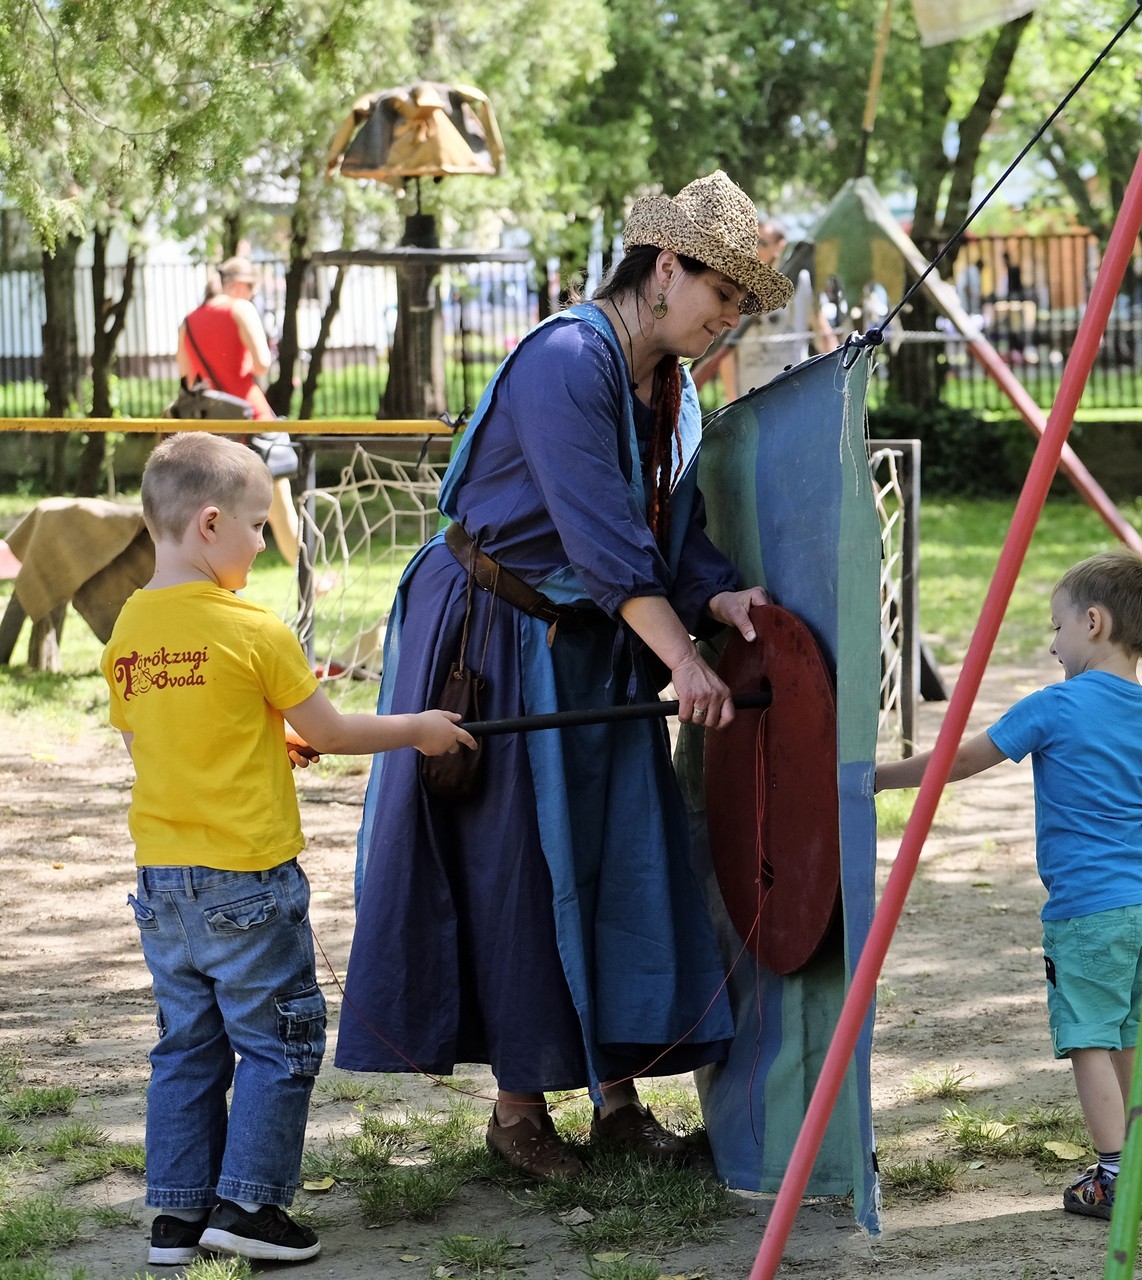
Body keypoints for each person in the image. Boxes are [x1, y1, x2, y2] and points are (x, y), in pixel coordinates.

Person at [334, 171, 793, 1178]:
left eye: (738, 304)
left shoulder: (667, 386)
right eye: (720, 294)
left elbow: (666, 531)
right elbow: (599, 536)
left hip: (596, 638)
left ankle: (618, 1099)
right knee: (519, 866)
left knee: (615, 852)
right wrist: (683, 656)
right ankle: (518, 1110)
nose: (726, 319)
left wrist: (718, 599)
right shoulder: (567, 358)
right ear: (665, 267)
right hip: (493, 632)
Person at [103, 433, 473, 1266]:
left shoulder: (129, 628)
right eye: (257, 525)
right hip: (248, 881)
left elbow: (155, 741)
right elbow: (332, 731)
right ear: (209, 524)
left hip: (162, 885)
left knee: (187, 1046)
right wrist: (420, 729)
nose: (265, 543)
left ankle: (177, 1218)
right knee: (278, 1042)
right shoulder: (252, 628)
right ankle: (249, 1207)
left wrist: (264, 739)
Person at [874, 549, 1142, 1221]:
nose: (1052, 644)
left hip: (1087, 910)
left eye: (1057, 627)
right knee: (1131, 1034)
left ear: (1093, 623)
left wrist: (875, 778)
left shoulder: (1057, 706)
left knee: (1089, 1038)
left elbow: (962, 760)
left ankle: (1114, 1174)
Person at [177, 257, 301, 567]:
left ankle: (223, 583)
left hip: (215, 428)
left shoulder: (188, 322)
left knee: (219, 516)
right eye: (251, 287)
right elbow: (262, 363)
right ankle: (308, 581)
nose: (252, 294)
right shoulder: (240, 309)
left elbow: (187, 378)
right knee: (280, 509)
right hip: (252, 419)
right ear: (237, 285)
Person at [723, 219, 837, 398]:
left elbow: (823, 334)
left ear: (780, 246)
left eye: (761, 243)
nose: (754, 249)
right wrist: (732, 399)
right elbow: (727, 354)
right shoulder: (737, 284)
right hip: (752, 399)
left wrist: (836, 379)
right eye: (750, 242)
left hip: (795, 395)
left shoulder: (801, 282)